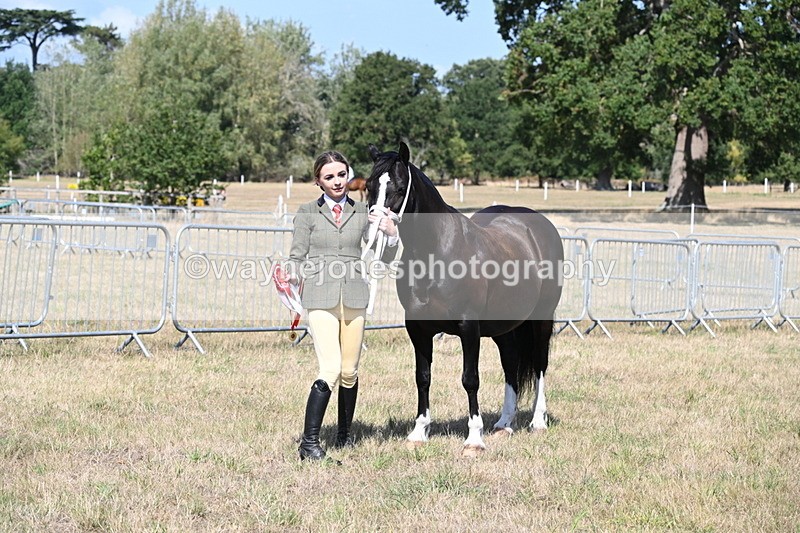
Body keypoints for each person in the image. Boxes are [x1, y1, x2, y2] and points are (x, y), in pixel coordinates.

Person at [284, 150, 397, 463]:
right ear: (318, 182)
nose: (337, 181)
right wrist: (289, 275)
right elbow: (296, 255)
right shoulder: (306, 213)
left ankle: (345, 434)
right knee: (330, 368)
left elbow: (385, 258)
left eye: (341, 174)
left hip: (355, 297)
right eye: (329, 177)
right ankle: (309, 444)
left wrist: (391, 234)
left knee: (349, 371)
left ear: (349, 175)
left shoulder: (364, 212)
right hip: (320, 299)